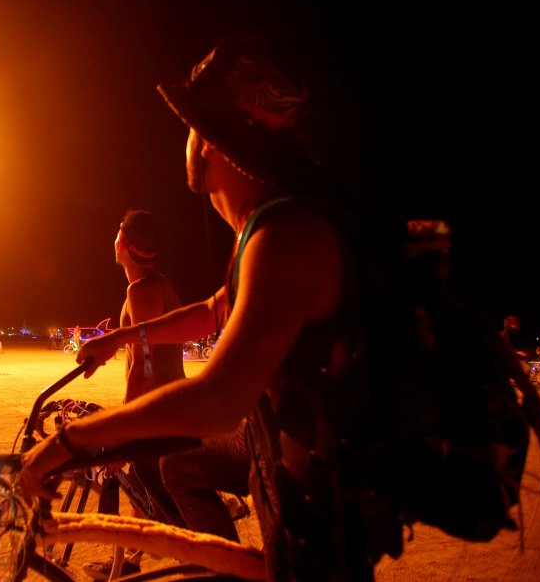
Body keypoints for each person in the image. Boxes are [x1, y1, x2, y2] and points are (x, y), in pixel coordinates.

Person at [20, 34, 394, 581]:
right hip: (287, 449)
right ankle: (223, 571)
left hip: (319, 478)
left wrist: (71, 441)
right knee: (183, 464)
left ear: (211, 143)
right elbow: (213, 311)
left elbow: (219, 399)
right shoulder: (264, 228)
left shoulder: (284, 235)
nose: (188, 139)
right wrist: (121, 339)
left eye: (192, 125)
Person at [85, 210, 188, 580]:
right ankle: (130, 561)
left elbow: (142, 368)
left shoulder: (142, 290)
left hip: (156, 412)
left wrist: (124, 428)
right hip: (168, 406)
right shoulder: (156, 284)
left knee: (173, 515)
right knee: (146, 488)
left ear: (124, 244)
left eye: (117, 233)